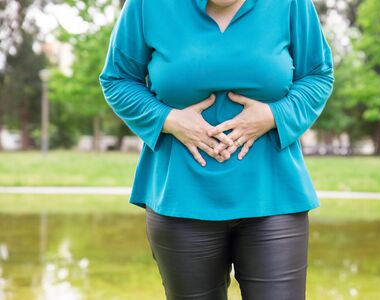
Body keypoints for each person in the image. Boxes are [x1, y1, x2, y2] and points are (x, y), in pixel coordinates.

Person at [98, 0, 334, 299]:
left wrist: (273, 115)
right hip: (180, 197)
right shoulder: (147, 5)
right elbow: (117, 79)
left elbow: (318, 74)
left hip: (273, 194)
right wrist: (169, 119)